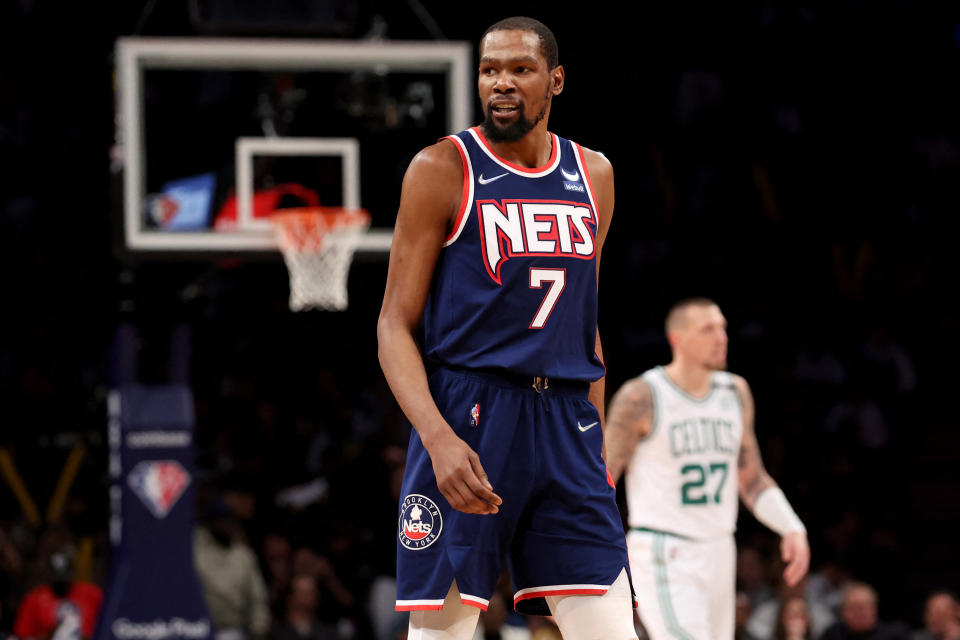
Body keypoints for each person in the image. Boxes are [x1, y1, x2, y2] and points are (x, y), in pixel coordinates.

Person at [377, 15, 637, 640]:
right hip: (470, 412)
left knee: (611, 631)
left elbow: (585, 323)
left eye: (520, 69)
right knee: (443, 632)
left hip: (566, 420)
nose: (501, 82)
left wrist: (593, 438)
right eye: (490, 69)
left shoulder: (593, 173)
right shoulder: (442, 167)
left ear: (556, 80)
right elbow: (393, 325)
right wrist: (436, 439)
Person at [604, 298, 811, 640]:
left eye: (723, 328)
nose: (721, 337)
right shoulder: (642, 396)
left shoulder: (735, 392)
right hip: (664, 550)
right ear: (678, 339)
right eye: (708, 329)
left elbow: (752, 477)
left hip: (719, 548)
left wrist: (791, 527)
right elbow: (602, 477)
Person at [12, 548, 103, 640]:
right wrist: (49, 635)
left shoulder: (93, 594)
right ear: (48, 576)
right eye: (57, 582)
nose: (62, 586)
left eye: (64, 581)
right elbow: (22, 636)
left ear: (73, 573)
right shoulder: (34, 599)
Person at [819, 582, 909, 640]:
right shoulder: (832, 635)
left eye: (865, 606)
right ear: (843, 613)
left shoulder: (895, 635)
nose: (860, 613)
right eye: (854, 607)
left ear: (875, 609)